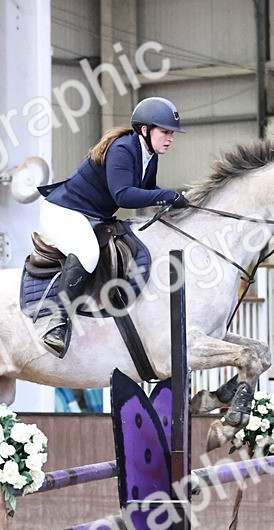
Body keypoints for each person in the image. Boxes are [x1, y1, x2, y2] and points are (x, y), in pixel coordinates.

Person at [35, 96, 190, 357]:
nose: (170, 138)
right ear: (145, 129)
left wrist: (177, 200)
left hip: (92, 216)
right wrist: (167, 195)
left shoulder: (149, 155)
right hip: (63, 212)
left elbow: (147, 191)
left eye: (171, 133)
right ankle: (57, 323)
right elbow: (124, 196)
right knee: (88, 252)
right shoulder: (123, 149)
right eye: (165, 132)